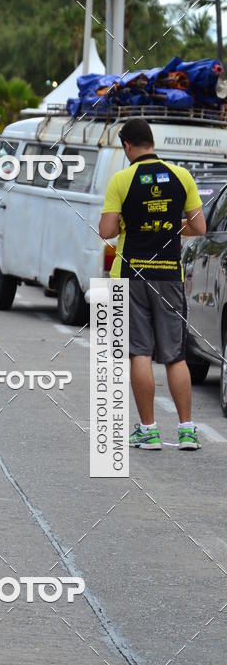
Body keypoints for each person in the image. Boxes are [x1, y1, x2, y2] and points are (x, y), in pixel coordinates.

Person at [99, 117, 206, 451]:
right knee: (175, 356)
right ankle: (187, 430)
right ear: (152, 141)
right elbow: (198, 227)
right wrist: (171, 227)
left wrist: (132, 224)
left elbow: (106, 231)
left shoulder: (122, 179)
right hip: (169, 274)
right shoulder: (182, 176)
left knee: (139, 353)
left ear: (128, 146)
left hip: (130, 276)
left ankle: (149, 431)